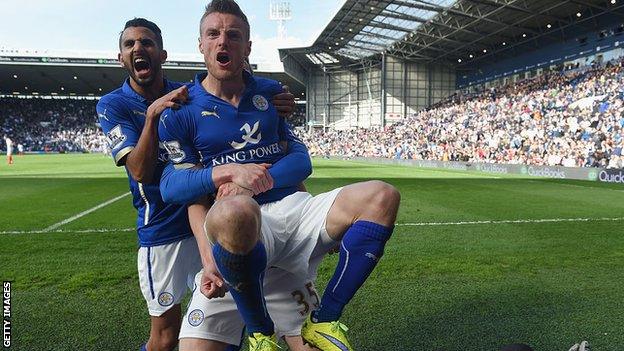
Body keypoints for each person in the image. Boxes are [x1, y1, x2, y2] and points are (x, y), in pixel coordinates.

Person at [158, 1, 401, 350]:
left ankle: (325, 321)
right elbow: (172, 186)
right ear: (201, 44)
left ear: (248, 47)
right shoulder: (180, 110)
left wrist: (253, 180)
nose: (222, 41)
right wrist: (230, 172)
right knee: (234, 211)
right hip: (238, 235)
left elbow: (300, 160)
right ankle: (261, 334)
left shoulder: (270, 94)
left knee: (382, 195)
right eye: (213, 34)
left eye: (233, 35)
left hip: (295, 210)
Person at [97, 17, 299, 351]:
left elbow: (237, 99)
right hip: (164, 229)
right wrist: (151, 116)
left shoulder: (190, 95)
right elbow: (139, 172)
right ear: (121, 58)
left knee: (233, 312)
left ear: (162, 53)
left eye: (146, 42)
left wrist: (275, 100)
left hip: (211, 217)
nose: (138, 49)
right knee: (165, 337)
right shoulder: (113, 105)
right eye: (129, 44)